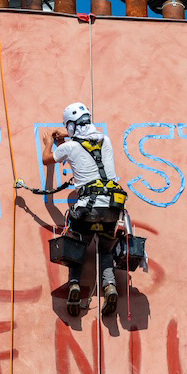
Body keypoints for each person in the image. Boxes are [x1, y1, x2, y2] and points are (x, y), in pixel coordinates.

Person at [41, 102, 125, 317]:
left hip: (87, 209)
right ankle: (110, 286)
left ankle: (75, 286)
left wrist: (50, 143)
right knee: (105, 249)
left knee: (76, 248)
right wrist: (68, 136)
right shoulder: (105, 140)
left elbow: (46, 160)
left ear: (70, 125)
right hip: (112, 208)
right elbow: (89, 143)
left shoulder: (68, 148)